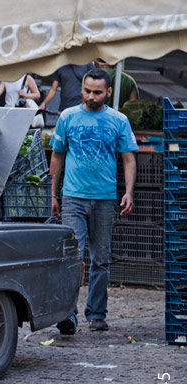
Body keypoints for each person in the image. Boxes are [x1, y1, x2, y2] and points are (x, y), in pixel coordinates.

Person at [49, 67, 137, 333]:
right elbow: (57, 156)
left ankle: (97, 313)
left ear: (108, 92)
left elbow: (129, 158)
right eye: (87, 91)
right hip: (73, 197)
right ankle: (68, 314)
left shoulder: (119, 120)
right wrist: (52, 193)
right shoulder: (68, 117)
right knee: (72, 257)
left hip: (105, 199)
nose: (90, 96)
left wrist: (129, 191)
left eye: (97, 92)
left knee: (101, 259)